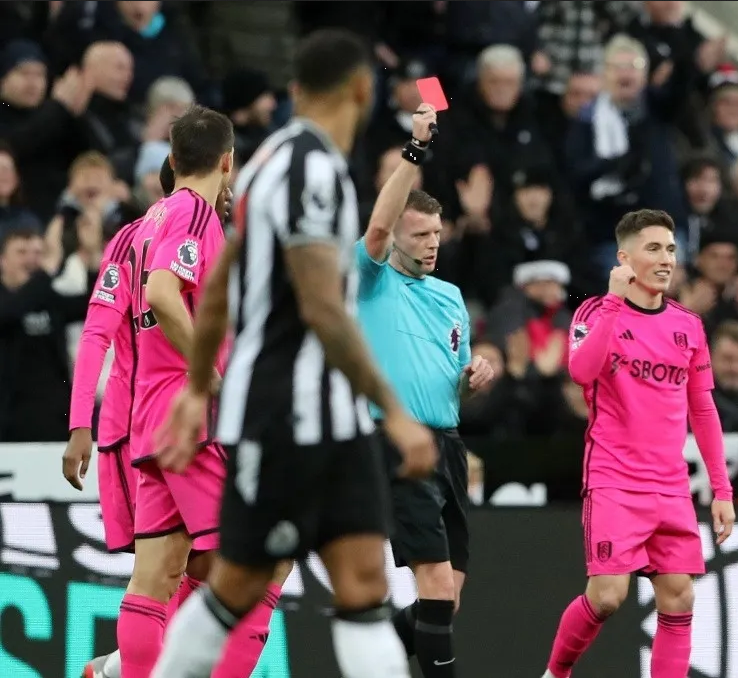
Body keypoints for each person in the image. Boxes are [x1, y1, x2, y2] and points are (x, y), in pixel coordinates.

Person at [149, 29, 437, 678]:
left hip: (325, 416)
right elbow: (319, 304)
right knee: (237, 588)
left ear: (297, 91)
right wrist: (393, 411)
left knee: (364, 582)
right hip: (287, 412)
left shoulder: (265, 163)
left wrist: (197, 389)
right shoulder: (313, 170)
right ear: (363, 90)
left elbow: (221, 280)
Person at [108, 105, 289, 678]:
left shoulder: (153, 216)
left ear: (172, 160)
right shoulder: (193, 213)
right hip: (191, 415)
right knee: (263, 564)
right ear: (228, 162)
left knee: (158, 574)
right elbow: (164, 292)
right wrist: (207, 369)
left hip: (149, 416)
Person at [539, 209, 736, 678]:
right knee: (607, 597)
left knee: (679, 595)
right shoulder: (595, 312)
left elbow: (703, 411)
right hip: (614, 479)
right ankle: (557, 673)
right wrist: (610, 302)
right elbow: (581, 372)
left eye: (670, 248)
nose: (666, 258)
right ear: (624, 258)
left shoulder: (688, 325)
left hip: (670, 485)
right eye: (654, 249)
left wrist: (722, 490)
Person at [357, 104, 496, 677]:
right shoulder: (370, 279)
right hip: (397, 441)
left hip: (449, 445)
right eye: (419, 235)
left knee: (446, 599)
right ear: (396, 239)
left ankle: (367, 657)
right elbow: (378, 227)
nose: (431, 244)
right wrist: (415, 150)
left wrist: (477, 374)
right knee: (435, 584)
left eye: (437, 233)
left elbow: (455, 384)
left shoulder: (450, 296)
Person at [65, 158, 173, 678]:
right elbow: (96, 333)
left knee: (196, 575)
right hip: (137, 433)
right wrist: (79, 423)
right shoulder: (131, 240)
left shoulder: (218, 238)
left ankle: (108, 670)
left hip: (195, 432)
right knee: (160, 574)